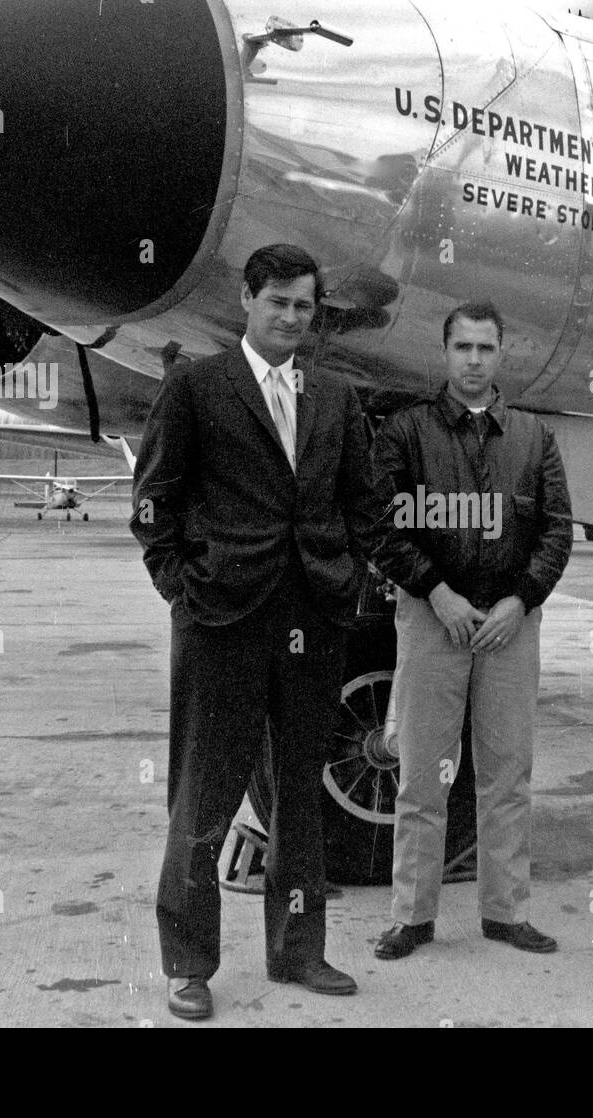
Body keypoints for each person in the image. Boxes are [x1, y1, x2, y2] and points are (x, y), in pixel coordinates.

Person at [130, 243, 384, 1020]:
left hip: (313, 621)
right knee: (201, 799)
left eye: (304, 306)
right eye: (277, 302)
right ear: (247, 300)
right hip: (222, 622)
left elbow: (365, 504)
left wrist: (344, 578)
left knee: (298, 799)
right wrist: (185, 593)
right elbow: (152, 506)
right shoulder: (196, 388)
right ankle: (189, 964)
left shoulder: (335, 397)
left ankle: (300, 951)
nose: (290, 317)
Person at [370, 301, 572, 961]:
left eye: (487, 348)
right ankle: (412, 917)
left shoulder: (533, 438)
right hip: (435, 621)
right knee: (423, 776)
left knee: (507, 774)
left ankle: (506, 913)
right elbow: (384, 528)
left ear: (501, 354)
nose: (475, 360)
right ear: (446, 351)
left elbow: (555, 530)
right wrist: (436, 591)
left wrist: (521, 599)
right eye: (464, 347)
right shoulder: (404, 434)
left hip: (511, 626)